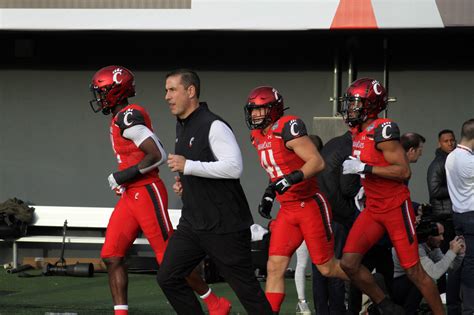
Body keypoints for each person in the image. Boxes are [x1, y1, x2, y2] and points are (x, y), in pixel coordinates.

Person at [89, 66, 228, 315]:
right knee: (111, 254)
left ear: (116, 90)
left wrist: (123, 175)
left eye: (103, 91)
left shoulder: (129, 116)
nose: (99, 97)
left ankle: (214, 302)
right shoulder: (120, 117)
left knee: (169, 259)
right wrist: (124, 180)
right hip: (131, 194)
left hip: (147, 191)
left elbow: (158, 154)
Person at [157, 69, 272, 315]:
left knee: (248, 293)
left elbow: (233, 167)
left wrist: (188, 166)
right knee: (168, 276)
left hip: (225, 225)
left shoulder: (214, 124)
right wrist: (186, 185)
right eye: (166, 90)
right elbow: (203, 170)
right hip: (193, 223)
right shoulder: (182, 126)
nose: (167, 96)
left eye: (172, 89)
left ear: (191, 91)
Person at [339, 78, 444, 315]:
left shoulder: (383, 129)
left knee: (413, 271)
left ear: (371, 106)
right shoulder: (357, 131)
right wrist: (365, 184)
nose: (351, 108)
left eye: (356, 103)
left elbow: (403, 171)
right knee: (348, 264)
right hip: (373, 208)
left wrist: (365, 169)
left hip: (395, 207)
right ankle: (387, 306)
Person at [244, 86, 349, 314]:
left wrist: (289, 181)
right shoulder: (257, 137)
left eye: (260, 110)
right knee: (274, 267)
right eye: (253, 110)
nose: (254, 115)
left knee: (327, 268)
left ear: (274, 109)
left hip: (310, 203)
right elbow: (278, 168)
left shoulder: (287, 126)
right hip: (288, 209)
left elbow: (316, 162)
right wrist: (271, 192)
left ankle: (371, 285)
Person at [312, 131, 360, 315]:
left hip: (320, 212)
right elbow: (348, 187)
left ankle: (322, 310)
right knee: (337, 266)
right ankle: (338, 310)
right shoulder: (350, 148)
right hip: (338, 214)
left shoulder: (333, 144)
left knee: (320, 267)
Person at [392, 221, 465, 315]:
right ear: (429, 237)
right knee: (425, 279)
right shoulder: (416, 247)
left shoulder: (432, 246)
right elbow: (434, 274)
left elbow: (449, 267)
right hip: (400, 285)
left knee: (430, 275)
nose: (442, 238)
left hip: (411, 284)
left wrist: (459, 254)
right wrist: (451, 252)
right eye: (439, 235)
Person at [445, 118, 474, 315]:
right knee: (471, 264)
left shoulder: (451, 156)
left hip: (458, 214)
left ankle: (454, 307)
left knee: (459, 261)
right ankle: (469, 309)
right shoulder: (470, 161)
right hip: (471, 216)